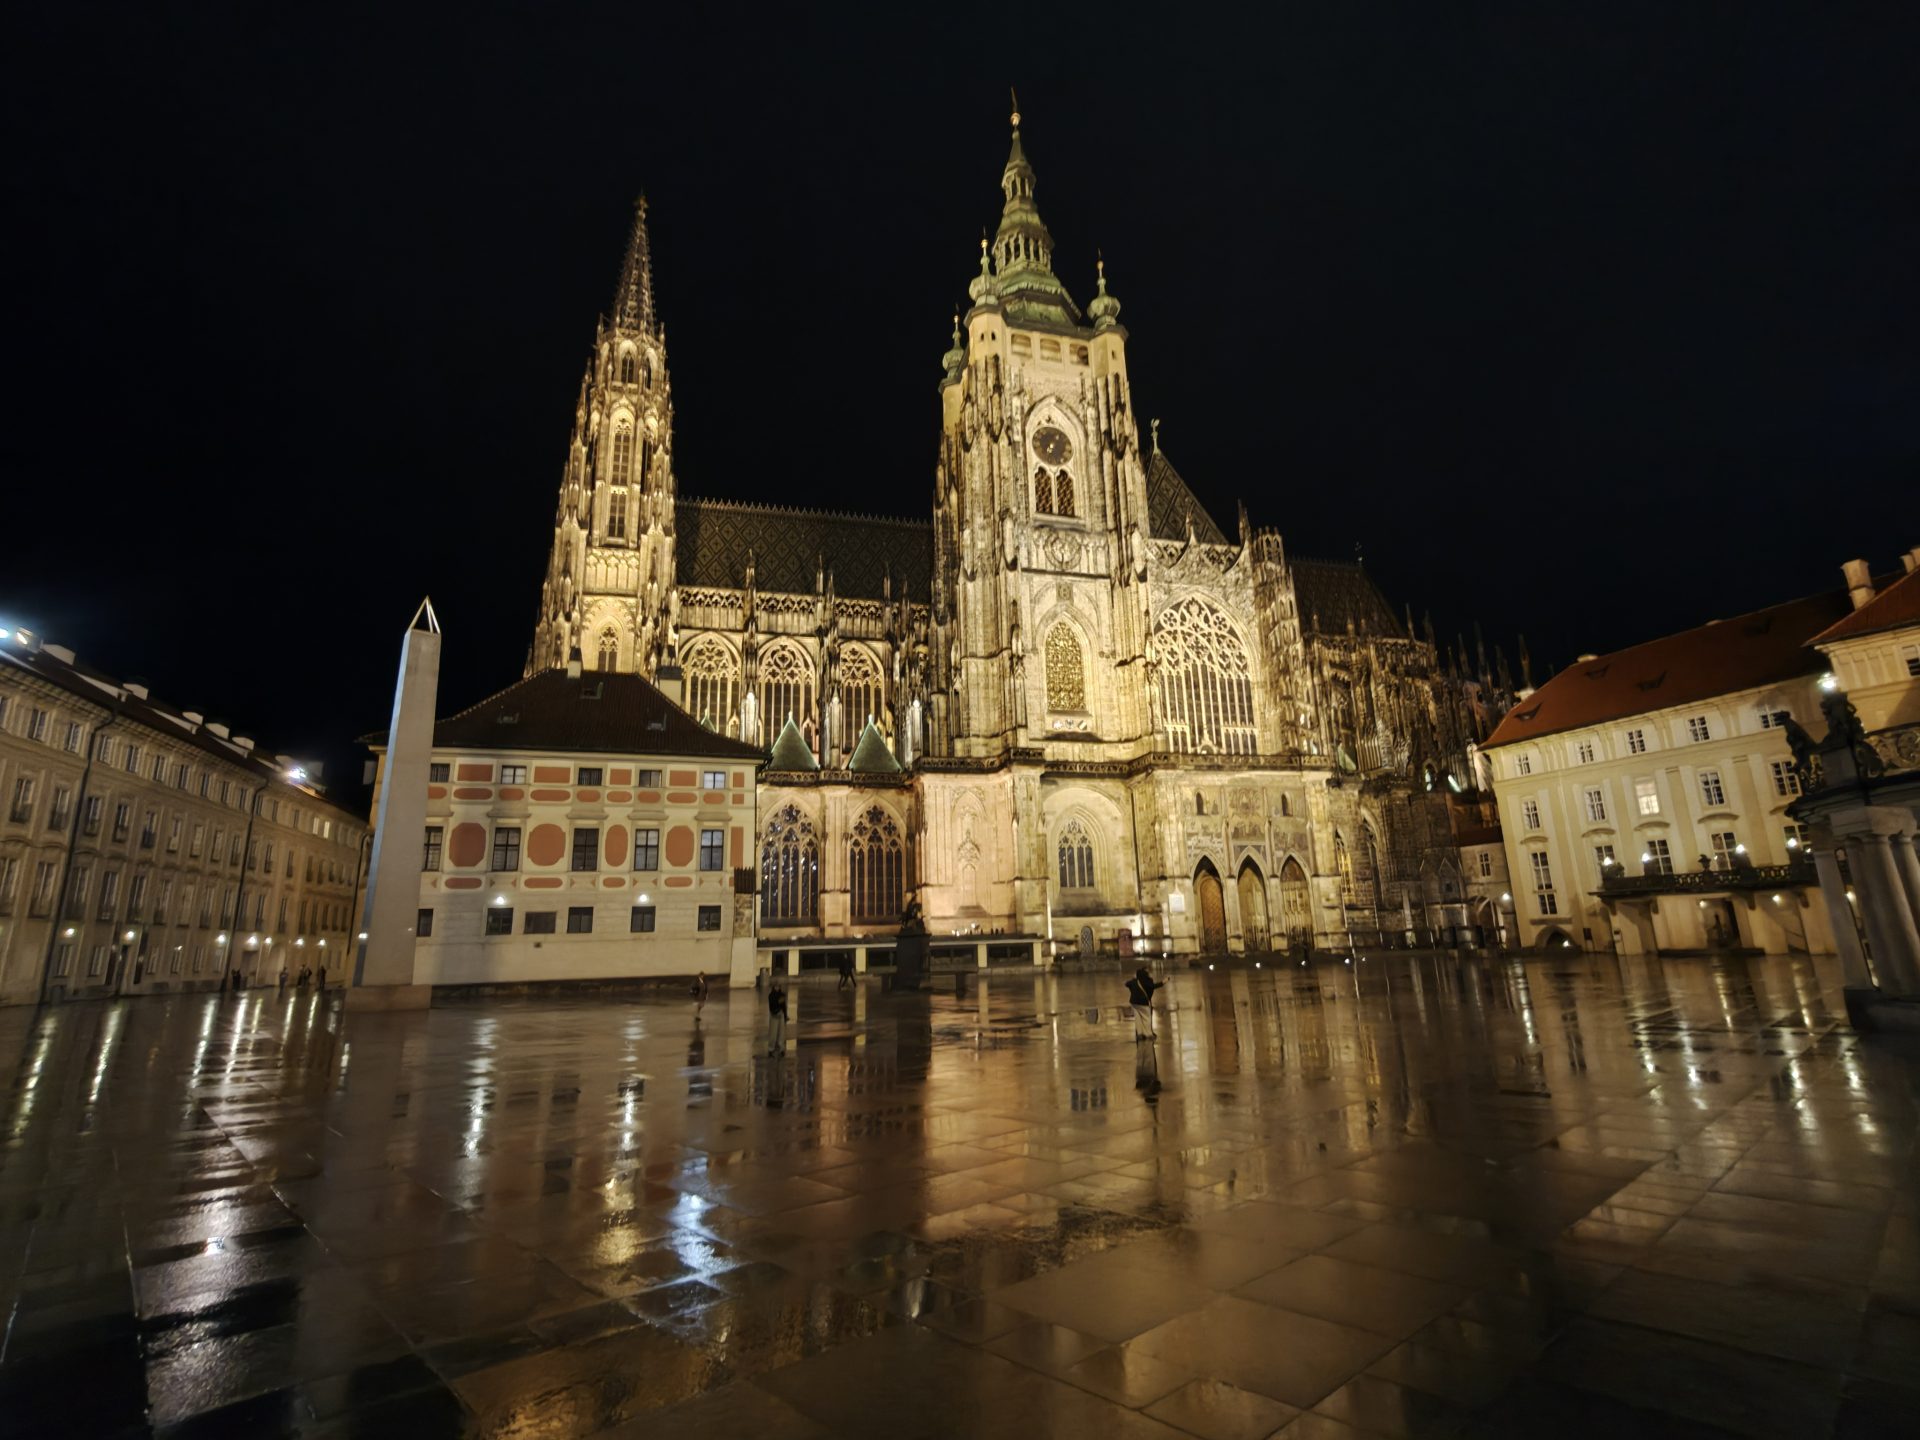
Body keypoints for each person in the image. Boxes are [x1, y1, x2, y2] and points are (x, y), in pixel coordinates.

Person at [1126, 966, 1159, 1041]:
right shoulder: (1147, 981)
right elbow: (1153, 986)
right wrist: (1164, 982)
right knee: (1146, 1018)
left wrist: (1134, 980)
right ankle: (1148, 1034)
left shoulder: (1134, 981)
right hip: (1143, 1003)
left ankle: (1140, 1034)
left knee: (1138, 1019)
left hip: (1134, 1003)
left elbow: (1127, 984)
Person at [767, 978, 789, 1056]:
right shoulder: (771, 996)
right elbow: (772, 1006)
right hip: (774, 1015)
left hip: (781, 1015)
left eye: (778, 986)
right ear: (773, 987)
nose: (777, 988)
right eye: (776, 986)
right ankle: (771, 1049)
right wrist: (776, 1012)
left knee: (781, 1033)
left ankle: (781, 1049)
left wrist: (785, 1015)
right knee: (773, 1033)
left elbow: (783, 1006)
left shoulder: (781, 995)